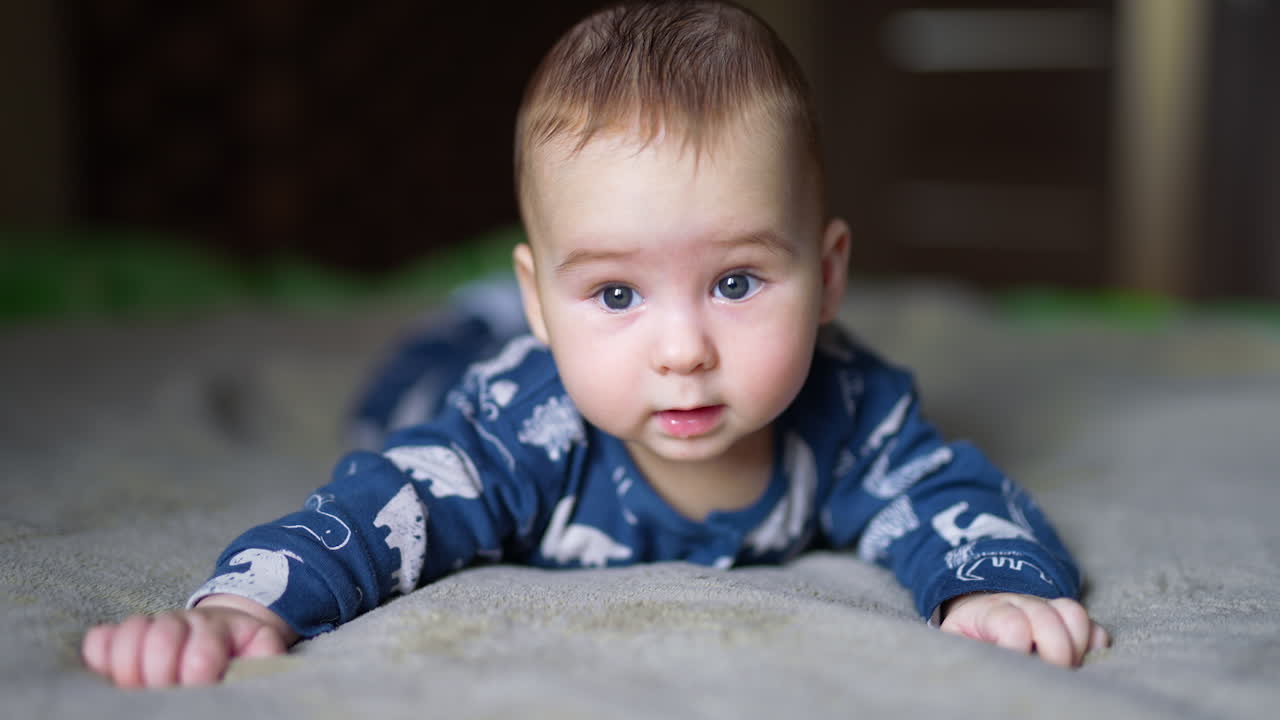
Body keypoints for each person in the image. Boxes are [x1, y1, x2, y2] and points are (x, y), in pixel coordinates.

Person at [81, 0, 1109, 688]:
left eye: (736, 282)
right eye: (616, 291)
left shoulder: (850, 409)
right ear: (547, 298)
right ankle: (479, 315)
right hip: (454, 385)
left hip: (543, 334)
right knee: (405, 404)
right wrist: (242, 607)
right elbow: (380, 508)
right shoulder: (522, 428)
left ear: (830, 275)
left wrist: (994, 586)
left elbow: (948, 496)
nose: (682, 350)